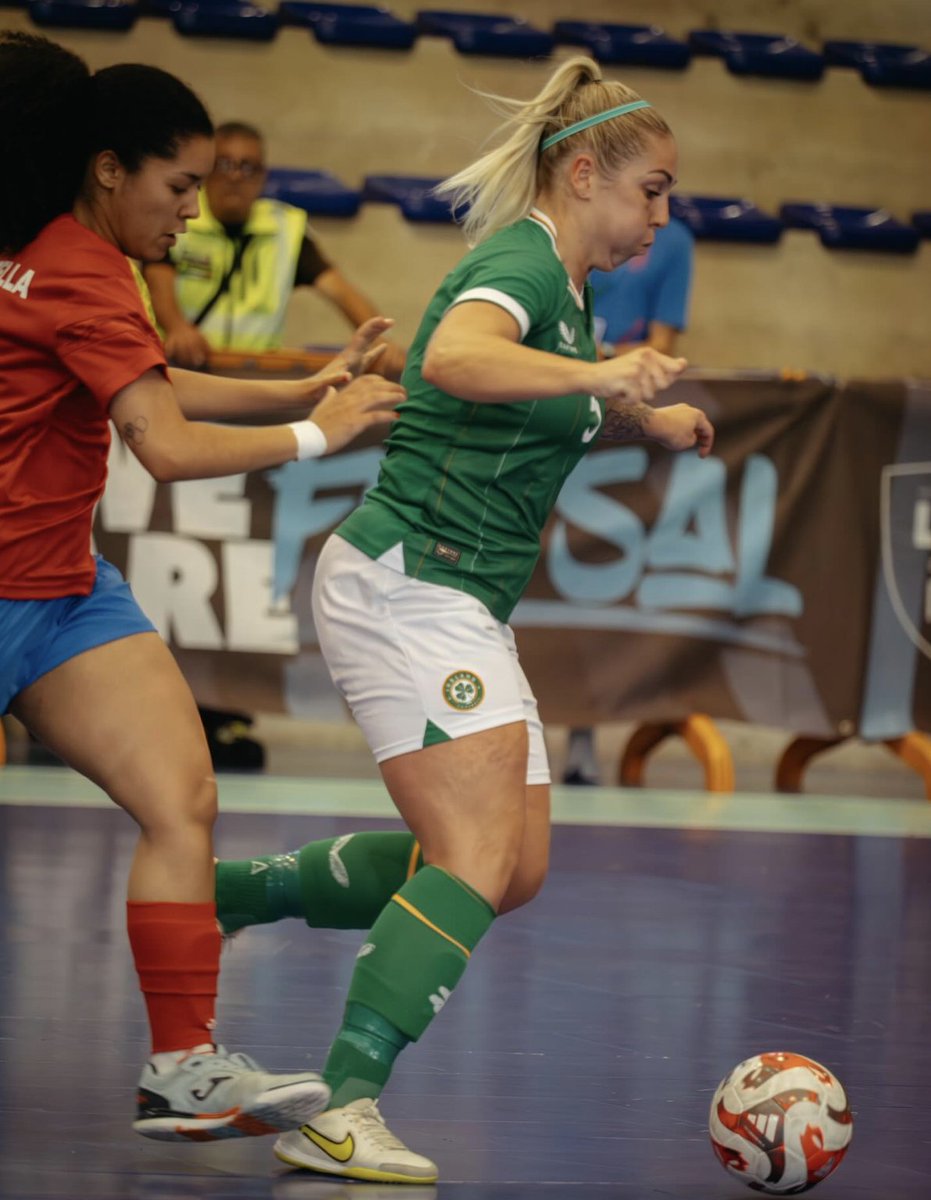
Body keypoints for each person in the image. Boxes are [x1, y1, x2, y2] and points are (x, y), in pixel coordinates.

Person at [213, 55, 713, 1183]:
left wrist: (646, 415)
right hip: (409, 582)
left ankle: (228, 897)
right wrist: (603, 379)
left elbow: (531, 401)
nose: (662, 215)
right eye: (652, 190)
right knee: (475, 850)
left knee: (513, 864)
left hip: (461, 598)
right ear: (584, 173)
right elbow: (452, 355)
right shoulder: (519, 263)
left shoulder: (567, 294)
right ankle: (343, 1105)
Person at [0, 31, 404, 1143]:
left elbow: (143, 377)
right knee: (183, 805)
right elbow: (163, 448)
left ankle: (182, 1067)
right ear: (109, 169)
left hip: (62, 596)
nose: (195, 207)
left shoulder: (59, 253)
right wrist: (319, 429)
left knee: (182, 801)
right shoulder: (81, 269)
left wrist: (299, 374)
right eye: (179, 184)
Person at [562, 215, 695, 784]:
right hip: (557, 413)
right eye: (648, 191)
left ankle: (581, 731)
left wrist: (609, 359)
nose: (657, 212)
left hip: (616, 431)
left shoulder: (674, 244)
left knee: (595, 573)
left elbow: (661, 347)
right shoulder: (564, 242)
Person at [142, 120, 407, 380]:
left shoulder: (284, 230)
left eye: (247, 167)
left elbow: (340, 291)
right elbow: (157, 278)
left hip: (254, 376)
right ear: (206, 170)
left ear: (262, 176)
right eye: (224, 164)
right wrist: (177, 327)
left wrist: (378, 340)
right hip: (183, 370)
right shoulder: (180, 215)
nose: (235, 176)